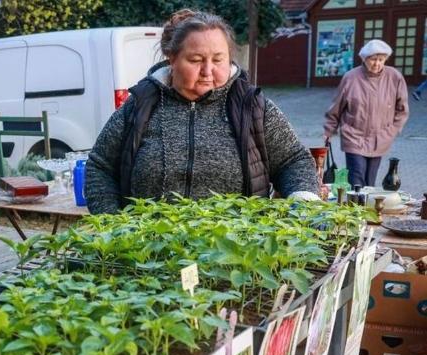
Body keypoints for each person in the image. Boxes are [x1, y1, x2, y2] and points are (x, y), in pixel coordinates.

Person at [84, 9, 319, 214]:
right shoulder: (140, 105)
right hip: (149, 256)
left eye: (218, 60)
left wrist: (302, 200)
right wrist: (114, 226)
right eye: (196, 60)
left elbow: (294, 160)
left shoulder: (252, 106)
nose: (208, 70)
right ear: (172, 59)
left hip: (235, 253)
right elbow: (100, 166)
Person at [323, 39, 409, 188]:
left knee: (369, 183)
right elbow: (336, 106)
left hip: (380, 138)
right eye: (373, 59)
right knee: (357, 181)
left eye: (381, 60)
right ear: (364, 59)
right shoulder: (351, 78)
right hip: (353, 136)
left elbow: (402, 109)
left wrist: (391, 131)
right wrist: (329, 131)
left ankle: (365, 210)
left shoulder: (394, 77)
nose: (377, 64)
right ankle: (355, 209)